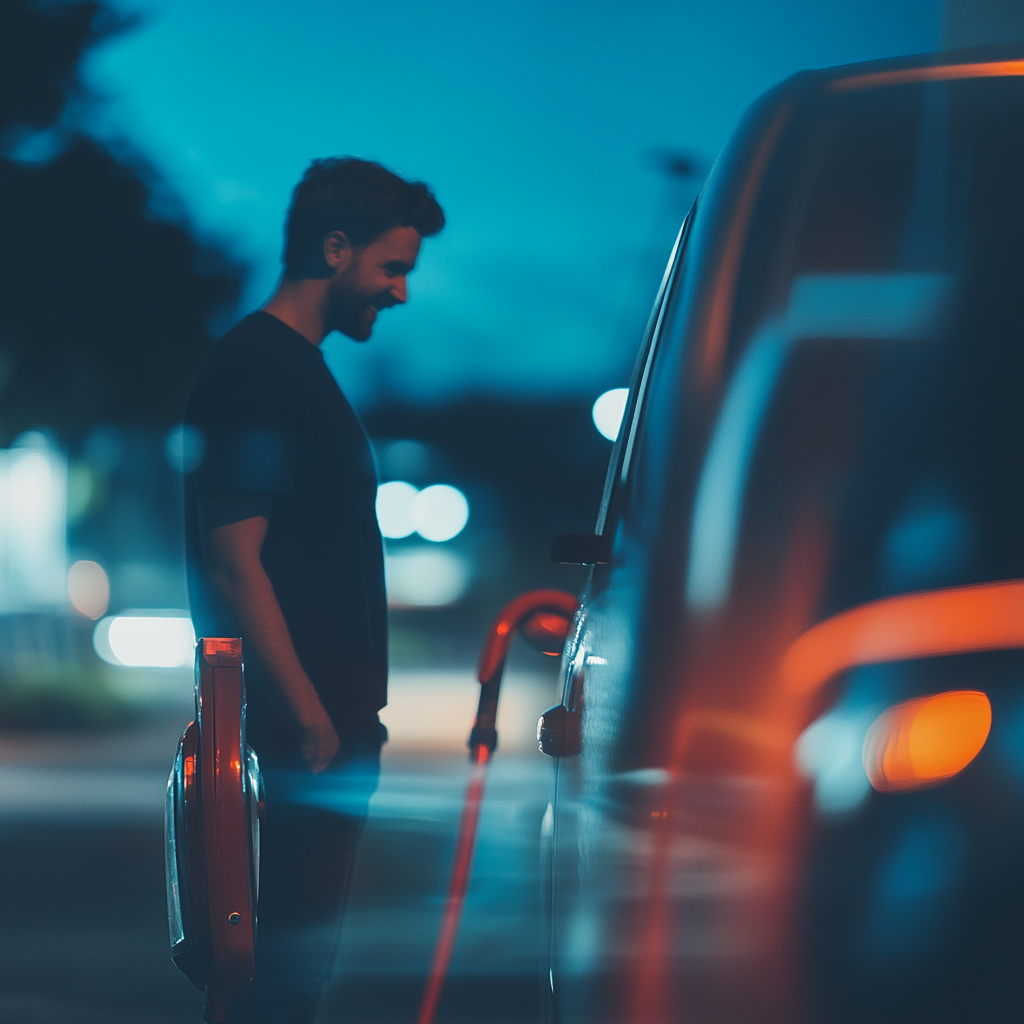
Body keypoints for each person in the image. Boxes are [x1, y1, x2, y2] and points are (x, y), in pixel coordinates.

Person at [183, 157, 444, 1023]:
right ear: (335, 249)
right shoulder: (259, 369)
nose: (402, 292)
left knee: (282, 976)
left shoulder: (295, 368)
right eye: (393, 267)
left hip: (316, 734)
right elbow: (234, 560)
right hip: (294, 739)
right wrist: (306, 716)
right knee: (273, 979)